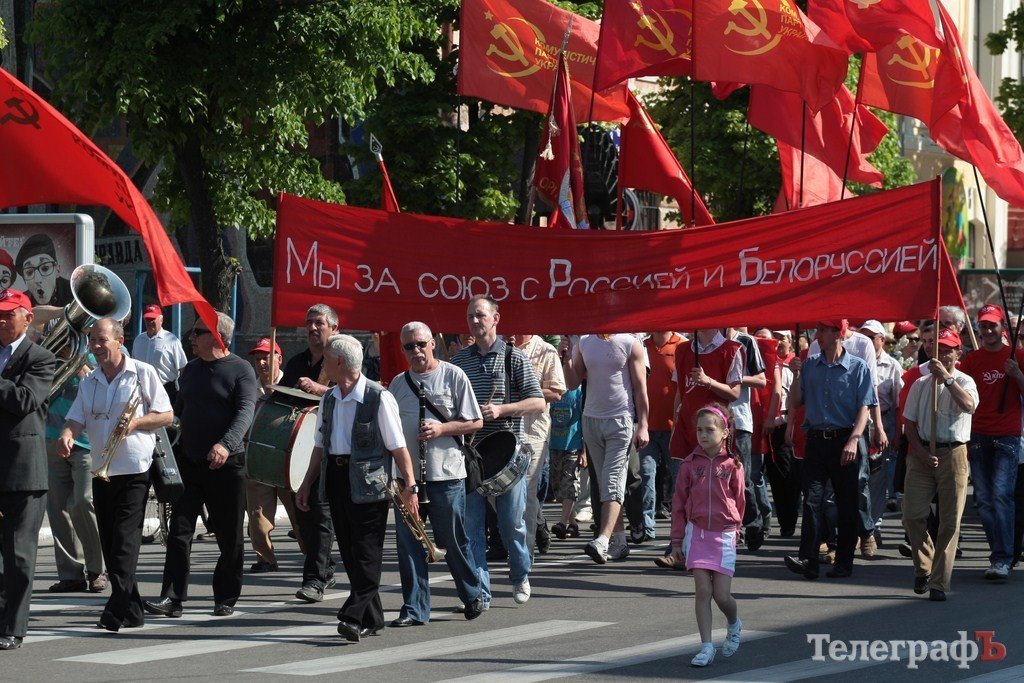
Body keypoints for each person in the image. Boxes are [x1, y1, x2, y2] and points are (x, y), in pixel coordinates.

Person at [296, 333, 420, 642]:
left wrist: (411, 486)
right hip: (336, 480)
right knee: (351, 553)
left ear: (340, 363)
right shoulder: (329, 398)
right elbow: (320, 446)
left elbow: (398, 447)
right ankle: (373, 618)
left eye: (326, 359)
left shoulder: (379, 397)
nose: (322, 364)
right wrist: (306, 483)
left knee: (366, 553)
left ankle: (352, 614)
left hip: (369, 484)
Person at [59, 317, 173, 631]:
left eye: (101, 340)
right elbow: (75, 418)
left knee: (124, 544)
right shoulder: (89, 380)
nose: (95, 347)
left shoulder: (143, 373)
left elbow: (166, 414)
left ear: (119, 341)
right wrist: (67, 435)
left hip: (135, 470)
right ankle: (134, 611)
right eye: (92, 340)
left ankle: (114, 610)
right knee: (110, 545)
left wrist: (134, 424)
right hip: (102, 470)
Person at [144, 312, 258, 618]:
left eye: (197, 332)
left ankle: (225, 596)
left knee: (228, 534)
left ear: (218, 336)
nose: (191, 338)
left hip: (226, 466)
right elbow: (178, 413)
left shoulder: (241, 370)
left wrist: (225, 444)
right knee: (179, 532)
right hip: (189, 464)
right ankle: (172, 598)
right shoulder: (190, 370)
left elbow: (245, 412)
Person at [387, 322, 485, 626]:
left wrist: (442, 428)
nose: (415, 351)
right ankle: (415, 609)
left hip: (446, 474)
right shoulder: (397, 384)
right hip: (408, 478)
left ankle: (472, 594)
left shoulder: (453, 375)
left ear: (432, 344)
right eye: (408, 347)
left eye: (420, 344)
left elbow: (475, 421)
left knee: (452, 539)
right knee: (409, 543)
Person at [450, 295, 545, 608]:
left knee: (511, 523)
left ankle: (520, 575)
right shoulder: (460, 361)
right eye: (470, 317)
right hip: (471, 454)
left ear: (495, 318)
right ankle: (481, 591)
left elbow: (538, 402)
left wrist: (502, 409)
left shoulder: (513, 358)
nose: (475, 321)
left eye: (480, 315)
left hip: (506, 456)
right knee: (472, 526)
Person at [785, 319, 876, 580]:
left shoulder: (858, 368)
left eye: (822, 331)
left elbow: (864, 408)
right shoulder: (810, 365)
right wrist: (796, 375)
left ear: (839, 334)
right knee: (812, 500)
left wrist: (854, 439)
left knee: (847, 503)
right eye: (817, 330)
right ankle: (809, 560)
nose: (817, 335)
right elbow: (796, 400)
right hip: (816, 441)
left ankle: (844, 562)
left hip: (844, 440)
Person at [902, 328, 978, 601]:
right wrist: (920, 452)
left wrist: (946, 379)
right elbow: (908, 423)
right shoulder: (920, 384)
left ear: (958, 353)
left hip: (954, 453)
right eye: (938, 350)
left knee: (950, 522)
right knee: (912, 514)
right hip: (922, 454)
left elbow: (968, 405)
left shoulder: (965, 381)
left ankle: (939, 583)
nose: (942, 355)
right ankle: (923, 566)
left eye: (948, 350)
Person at [0, 288, 57, 650]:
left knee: (20, 554)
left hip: (23, 471)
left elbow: (25, 400)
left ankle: (13, 627)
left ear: (27, 318)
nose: (2, 320)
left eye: (8, 314)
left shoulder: (41, 357)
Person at [658, 328, 741, 569]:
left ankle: (718, 544)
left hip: (715, 432)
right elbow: (680, 393)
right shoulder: (683, 349)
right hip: (687, 429)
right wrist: (676, 422)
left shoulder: (732, 349)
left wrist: (708, 381)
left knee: (714, 492)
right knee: (681, 492)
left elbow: (734, 392)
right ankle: (677, 548)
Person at [563, 332, 649, 564]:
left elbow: (641, 387)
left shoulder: (631, 342)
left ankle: (602, 540)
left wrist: (643, 425)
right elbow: (572, 382)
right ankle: (619, 542)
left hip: (621, 420)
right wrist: (566, 358)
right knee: (605, 486)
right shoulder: (584, 341)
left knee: (612, 481)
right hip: (591, 419)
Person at [670, 404, 745, 667]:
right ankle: (705, 646)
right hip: (698, 534)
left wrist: (736, 529)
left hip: (724, 536)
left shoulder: (733, 465)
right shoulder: (689, 465)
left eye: (709, 429)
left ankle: (734, 623)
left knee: (722, 596)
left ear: (725, 432)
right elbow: (678, 504)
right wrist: (677, 540)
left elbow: (740, 501)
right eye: (699, 429)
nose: (703, 434)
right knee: (703, 591)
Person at [958, 303, 1024, 582]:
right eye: (983, 325)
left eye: (992, 325)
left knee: (1001, 496)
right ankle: (999, 552)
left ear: (1001, 328)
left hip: (1007, 436)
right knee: (984, 500)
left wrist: (1017, 374)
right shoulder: (972, 360)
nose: (986, 330)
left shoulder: (1018, 355)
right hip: (978, 435)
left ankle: (1002, 557)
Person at [283, 303, 340, 602]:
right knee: (303, 515)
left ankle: (315, 580)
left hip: (334, 450)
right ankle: (326, 566)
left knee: (320, 514)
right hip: (300, 451)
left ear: (334, 328)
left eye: (319, 322)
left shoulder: (345, 360)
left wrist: (320, 390)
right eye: (309, 322)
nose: (312, 328)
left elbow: (360, 392)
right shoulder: (296, 363)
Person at [44, 356, 106, 594]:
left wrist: (79, 365)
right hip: (51, 434)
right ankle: (71, 574)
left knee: (83, 502)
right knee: (57, 508)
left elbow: (104, 391)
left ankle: (97, 570)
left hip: (87, 441)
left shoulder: (100, 353)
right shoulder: (47, 352)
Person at [245, 337, 304, 572]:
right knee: (257, 516)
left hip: (287, 461)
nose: (261, 362)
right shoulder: (248, 388)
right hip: (258, 460)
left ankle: (314, 560)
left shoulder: (292, 385)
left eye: (266, 357)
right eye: (258, 358)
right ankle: (265, 559)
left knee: (299, 517)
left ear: (279, 358)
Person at [508, 333, 565, 556]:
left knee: (528, 493)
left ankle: (525, 551)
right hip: (503, 430)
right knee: (499, 493)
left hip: (534, 432)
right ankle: (538, 524)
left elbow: (557, 391)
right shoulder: (499, 347)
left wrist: (523, 393)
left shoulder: (545, 351)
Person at [859, 320, 903, 555]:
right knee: (858, 478)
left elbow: (898, 403)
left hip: (883, 423)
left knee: (877, 478)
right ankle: (860, 525)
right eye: (862, 335)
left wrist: (894, 433)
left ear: (881, 340)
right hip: (859, 423)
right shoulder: (856, 361)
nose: (865, 340)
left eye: (871, 336)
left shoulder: (892, 365)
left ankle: (874, 526)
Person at [723, 328, 769, 551]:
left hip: (739, 421)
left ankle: (753, 523)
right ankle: (731, 528)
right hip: (713, 420)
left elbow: (761, 380)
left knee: (743, 479)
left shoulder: (745, 341)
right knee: (719, 479)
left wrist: (735, 378)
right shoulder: (705, 340)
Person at [642, 331, 685, 536]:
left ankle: (678, 530)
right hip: (646, 426)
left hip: (673, 426)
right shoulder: (642, 345)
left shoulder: (682, 345)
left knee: (677, 480)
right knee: (645, 474)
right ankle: (645, 526)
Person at [548, 384, 585, 540]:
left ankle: (562, 523)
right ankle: (573, 525)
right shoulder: (552, 392)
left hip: (572, 445)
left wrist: (584, 451)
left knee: (568, 483)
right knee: (558, 487)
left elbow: (585, 421)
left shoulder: (579, 393)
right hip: (554, 445)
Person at [131, 304, 188, 404]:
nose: (150, 322)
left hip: (166, 388)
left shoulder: (172, 340)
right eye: (147, 319)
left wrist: (184, 392)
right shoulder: (138, 340)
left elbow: (183, 368)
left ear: (161, 320)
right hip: (142, 390)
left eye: (153, 319)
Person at [15, 234, 72, 308]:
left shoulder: (75, 293)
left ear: (57, 270)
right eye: (29, 272)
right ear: (24, 280)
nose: (37, 279)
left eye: (45, 268)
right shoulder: (21, 304)